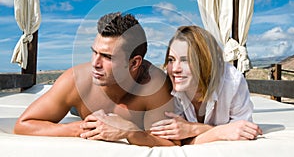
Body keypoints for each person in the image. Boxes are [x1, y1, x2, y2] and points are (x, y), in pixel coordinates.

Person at [14, 12, 177, 147]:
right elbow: (24, 124)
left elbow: (171, 143)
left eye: (107, 57)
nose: (95, 63)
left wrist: (131, 132)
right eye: (94, 52)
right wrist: (83, 127)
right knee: (75, 105)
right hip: (81, 105)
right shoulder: (76, 80)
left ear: (134, 63)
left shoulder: (153, 85)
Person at [150, 25, 262, 145]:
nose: (175, 69)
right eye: (171, 60)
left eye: (185, 60)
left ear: (204, 62)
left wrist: (192, 129)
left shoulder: (232, 81)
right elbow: (176, 140)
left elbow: (242, 132)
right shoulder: (166, 85)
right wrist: (220, 132)